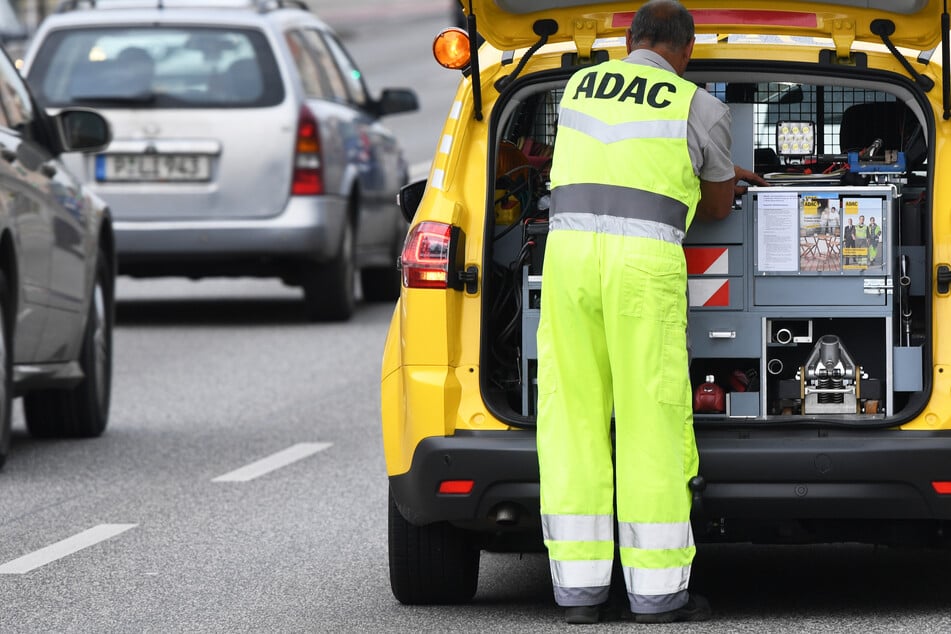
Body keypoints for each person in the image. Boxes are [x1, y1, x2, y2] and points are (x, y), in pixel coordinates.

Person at [535, 0, 766, 625]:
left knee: (574, 412)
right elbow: (718, 206)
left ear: (628, 40)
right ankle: (657, 592)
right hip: (642, 270)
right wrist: (730, 174)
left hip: (569, 261)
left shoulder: (577, 87)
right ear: (687, 51)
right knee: (649, 419)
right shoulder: (699, 105)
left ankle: (578, 592)